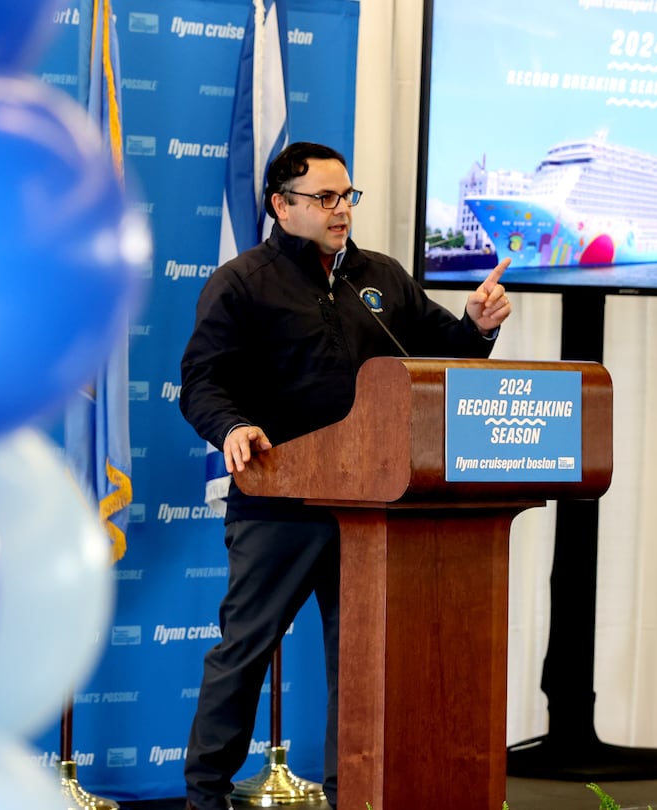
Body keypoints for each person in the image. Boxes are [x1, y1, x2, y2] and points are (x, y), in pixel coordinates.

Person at [177, 141, 512, 810]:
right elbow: (202, 381)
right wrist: (234, 428)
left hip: (372, 506)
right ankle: (204, 797)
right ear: (282, 204)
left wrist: (475, 328)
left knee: (359, 665)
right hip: (279, 501)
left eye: (347, 197)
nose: (341, 211)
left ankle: (350, 794)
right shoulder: (243, 282)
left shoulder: (380, 276)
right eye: (325, 198)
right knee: (244, 653)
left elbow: (439, 360)